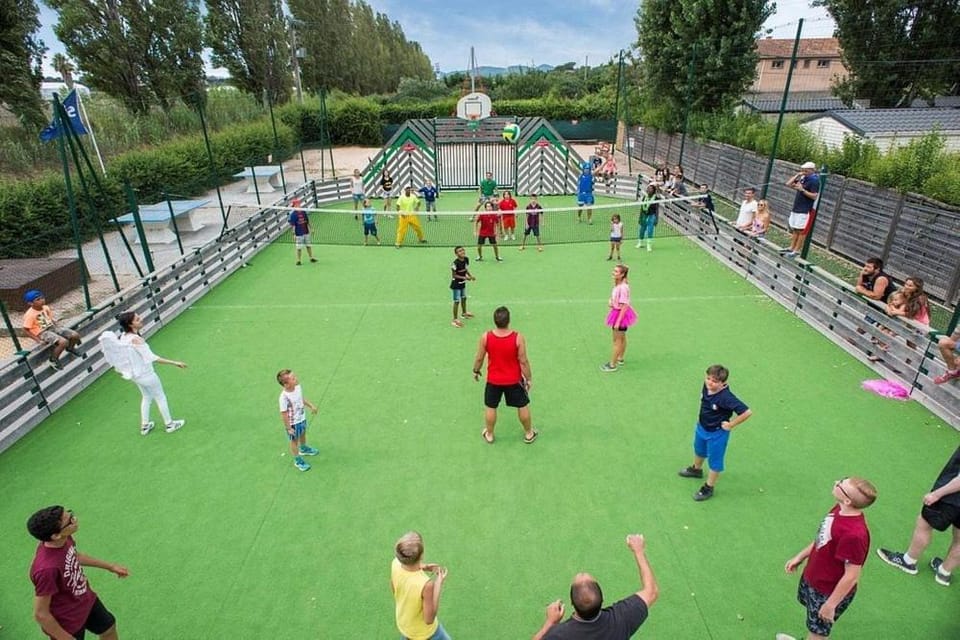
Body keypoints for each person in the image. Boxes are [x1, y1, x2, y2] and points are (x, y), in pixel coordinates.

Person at [777, 477, 877, 640]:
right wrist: (800, 556)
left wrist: (831, 605)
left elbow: (852, 576)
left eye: (841, 485)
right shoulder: (839, 509)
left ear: (847, 500)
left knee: (818, 633)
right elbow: (824, 538)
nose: (836, 482)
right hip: (815, 579)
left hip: (827, 592)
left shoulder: (854, 535)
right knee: (813, 624)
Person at [28, 506, 129, 640]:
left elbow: (74, 555)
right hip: (67, 620)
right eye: (70, 521)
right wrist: (65, 638)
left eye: (71, 514)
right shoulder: (46, 570)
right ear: (56, 535)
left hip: (85, 600)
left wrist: (110, 566)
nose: (75, 520)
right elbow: (40, 614)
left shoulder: (64, 538)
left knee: (108, 628)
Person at [531, 534, 658, 640]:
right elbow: (651, 591)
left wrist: (550, 622)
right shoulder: (621, 619)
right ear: (602, 600)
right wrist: (639, 551)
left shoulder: (559, 635)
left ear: (572, 604)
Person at [876, 445, 960, 587]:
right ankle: (944, 572)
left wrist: (937, 494)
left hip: (953, 497)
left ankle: (908, 561)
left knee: (925, 523)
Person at [677, 364, 752, 501]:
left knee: (715, 461)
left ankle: (709, 487)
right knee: (699, 450)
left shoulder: (726, 397)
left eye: (715, 381)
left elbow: (747, 412)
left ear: (723, 383)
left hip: (717, 434)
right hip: (702, 427)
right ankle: (697, 469)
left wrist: (731, 424)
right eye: (708, 378)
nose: (710, 383)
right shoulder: (707, 386)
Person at [113, 312, 186, 435]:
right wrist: (174, 363)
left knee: (146, 397)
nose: (140, 319)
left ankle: (145, 426)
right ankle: (170, 424)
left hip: (136, 376)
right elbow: (152, 357)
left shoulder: (123, 338)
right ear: (130, 324)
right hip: (146, 375)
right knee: (160, 397)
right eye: (137, 319)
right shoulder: (137, 340)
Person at [472, 306, 537, 444]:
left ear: (495, 321)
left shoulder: (486, 337)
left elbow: (479, 358)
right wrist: (529, 378)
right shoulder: (517, 338)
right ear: (508, 320)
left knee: (491, 406)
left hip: (493, 381)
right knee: (522, 405)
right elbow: (523, 361)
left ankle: (489, 434)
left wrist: (476, 370)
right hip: (514, 380)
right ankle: (529, 433)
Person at [391, 531, 450, 640]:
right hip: (424, 633)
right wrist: (438, 584)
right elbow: (429, 619)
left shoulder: (395, 563)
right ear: (421, 555)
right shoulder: (426, 585)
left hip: (405, 623)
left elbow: (394, 588)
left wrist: (424, 566)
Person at [22, 289, 82, 371]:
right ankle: (53, 359)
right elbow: (25, 330)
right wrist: (38, 340)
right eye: (38, 300)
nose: (42, 300)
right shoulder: (30, 315)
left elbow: (49, 318)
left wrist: (58, 327)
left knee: (75, 335)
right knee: (63, 342)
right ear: (30, 303)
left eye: (42, 298)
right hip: (43, 332)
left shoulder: (45, 308)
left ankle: (70, 348)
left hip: (52, 327)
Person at [276, 368, 319, 472]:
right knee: (294, 441)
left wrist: (311, 406)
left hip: (301, 418)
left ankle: (303, 448)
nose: (296, 379)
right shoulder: (284, 397)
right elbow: (284, 414)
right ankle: (298, 460)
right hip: (293, 423)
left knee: (303, 433)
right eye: (293, 378)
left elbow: (301, 399)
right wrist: (288, 428)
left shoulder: (297, 387)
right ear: (286, 384)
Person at [600, 264, 637, 372]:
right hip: (617, 312)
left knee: (617, 340)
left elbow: (625, 305)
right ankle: (620, 358)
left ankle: (612, 364)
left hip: (620, 315)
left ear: (622, 275)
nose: (613, 272)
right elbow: (617, 298)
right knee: (621, 338)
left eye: (616, 271)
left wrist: (618, 322)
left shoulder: (623, 287)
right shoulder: (619, 284)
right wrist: (611, 301)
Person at [784, 162, 820, 258]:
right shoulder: (803, 178)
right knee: (795, 229)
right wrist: (797, 175)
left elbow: (814, 196)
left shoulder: (814, 180)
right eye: (802, 169)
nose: (803, 171)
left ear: (811, 170)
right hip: (797, 207)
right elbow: (788, 184)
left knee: (801, 230)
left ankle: (796, 250)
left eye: (805, 170)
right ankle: (792, 247)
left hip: (805, 209)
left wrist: (802, 190)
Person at [450, 245, 476, 328]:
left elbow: (466, 269)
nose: (462, 252)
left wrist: (470, 276)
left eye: (463, 250)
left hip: (463, 283)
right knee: (457, 301)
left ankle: (464, 313)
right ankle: (455, 319)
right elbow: (454, 276)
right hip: (456, 285)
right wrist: (465, 277)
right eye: (459, 251)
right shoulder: (455, 263)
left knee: (464, 298)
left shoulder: (466, 259)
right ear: (456, 254)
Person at [288, 198, 317, 265]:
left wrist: (311, 228)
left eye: (298, 204)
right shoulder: (293, 215)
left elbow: (307, 221)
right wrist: (294, 234)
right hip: (299, 234)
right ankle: (298, 260)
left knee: (308, 246)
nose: (297, 205)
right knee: (299, 248)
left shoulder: (303, 212)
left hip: (306, 232)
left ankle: (311, 258)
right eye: (295, 204)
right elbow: (293, 226)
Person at [636, 184, 658, 251]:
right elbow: (642, 207)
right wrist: (640, 216)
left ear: (653, 191)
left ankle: (649, 245)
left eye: (651, 188)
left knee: (650, 230)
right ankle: (640, 242)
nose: (649, 189)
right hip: (644, 215)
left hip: (652, 216)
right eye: (648, 188)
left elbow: (657, 209)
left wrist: (656, 219)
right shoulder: (644, 197)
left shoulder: (656, 198)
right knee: (642, 229)